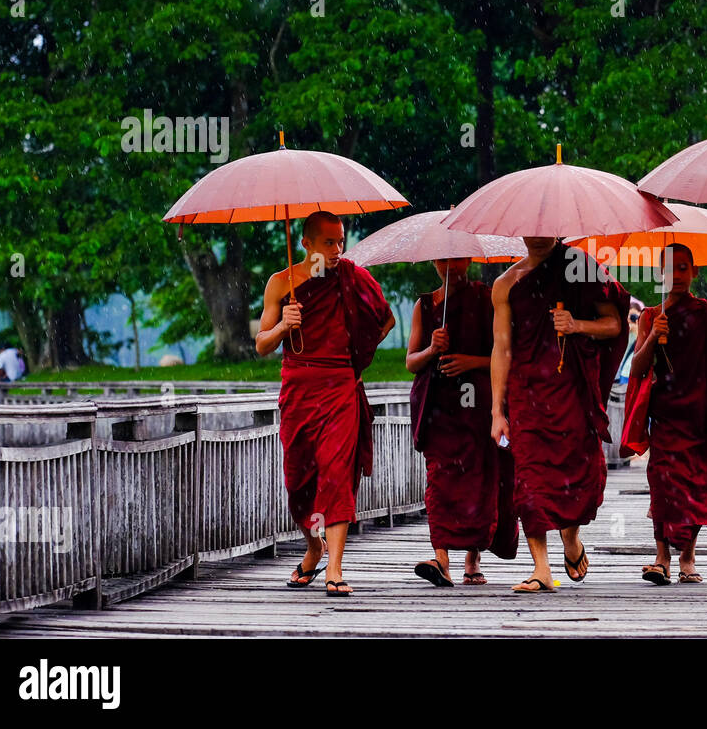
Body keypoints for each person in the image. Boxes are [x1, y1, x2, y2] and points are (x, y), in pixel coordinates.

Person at [255, 211, 394, 597]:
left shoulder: (351, 276)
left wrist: (357, 360)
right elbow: (262, 344)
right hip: (299, 389)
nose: (337, 250)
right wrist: (283, 325)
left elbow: (386, 321)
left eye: (340, 241)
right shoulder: (281, 283)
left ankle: (335, 567)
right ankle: (314, 546)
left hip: (340, 388)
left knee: (336, 473)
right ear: (307, 244)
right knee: (299, 481)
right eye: (328, 243)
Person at [490, 238, 628, 593]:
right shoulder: (506, 283)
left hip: (573, 390)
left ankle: (571, 538)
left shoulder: (578, 266)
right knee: (529, 479)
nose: (537, 234)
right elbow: (501, 348)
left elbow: (613, 324)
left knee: (577, 475)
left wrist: (577, 325)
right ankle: (541, 567)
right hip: (527, 394)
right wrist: (496, 410)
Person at [622, 243, 707, 585]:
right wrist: (652, 338)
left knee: (694, 486)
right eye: (669, 268)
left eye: (683, 268)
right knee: (662, 483)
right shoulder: (649, 316)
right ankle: (661, 557)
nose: (676, 275)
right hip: (666, 414)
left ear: (695, 272)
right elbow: (639, 369)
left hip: (701, 414)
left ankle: (687, 557)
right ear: (660, 274)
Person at [407, 257, 517, 587]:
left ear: (469, 259)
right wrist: (431, 350)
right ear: (433, 261)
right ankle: (441, 558)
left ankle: (472, 558)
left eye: (457, 259)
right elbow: (411, 362)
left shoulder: (487, 298)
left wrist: (470, 361)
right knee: (440, 479)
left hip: (479, 403)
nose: (451, 266)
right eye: (443, 260)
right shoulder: (424, 305)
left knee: (481, 478)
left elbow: (507, 352)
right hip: (439, 407)